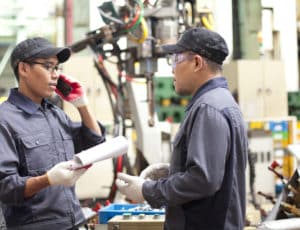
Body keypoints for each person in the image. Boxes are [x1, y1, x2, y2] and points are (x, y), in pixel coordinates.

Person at [116, 27, 248, 230]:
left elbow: (204, 180)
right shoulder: (222, 102)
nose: (172, 69)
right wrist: (175, 170)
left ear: (197, 62)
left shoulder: (207, 107)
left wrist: (147, 190)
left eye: (175, 59)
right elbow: (216, 171)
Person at [0, 37, 105, 230]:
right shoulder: (5, 120)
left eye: (57, 68)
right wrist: (48, 180)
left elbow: (95, 144)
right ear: (24, 69)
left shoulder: (56, 115)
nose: (55, 75)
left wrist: (82, 105)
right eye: (48, 67)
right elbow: (5, 187)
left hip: (74, 221)